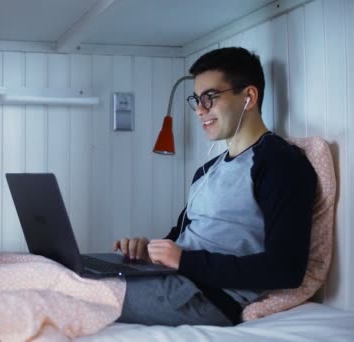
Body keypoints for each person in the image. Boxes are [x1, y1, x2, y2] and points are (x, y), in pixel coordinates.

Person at [114, 47, 317, 326]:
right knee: (62, 274)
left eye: (209, 98)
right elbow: (179, 239)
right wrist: (146, 249)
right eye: (196, 100)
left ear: (249, 96)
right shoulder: (207, 171)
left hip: (204, 297)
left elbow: (286, 268)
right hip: (169, 280)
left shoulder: (279, 162)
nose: (199, 110)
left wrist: (185, 262)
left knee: (65, 292)